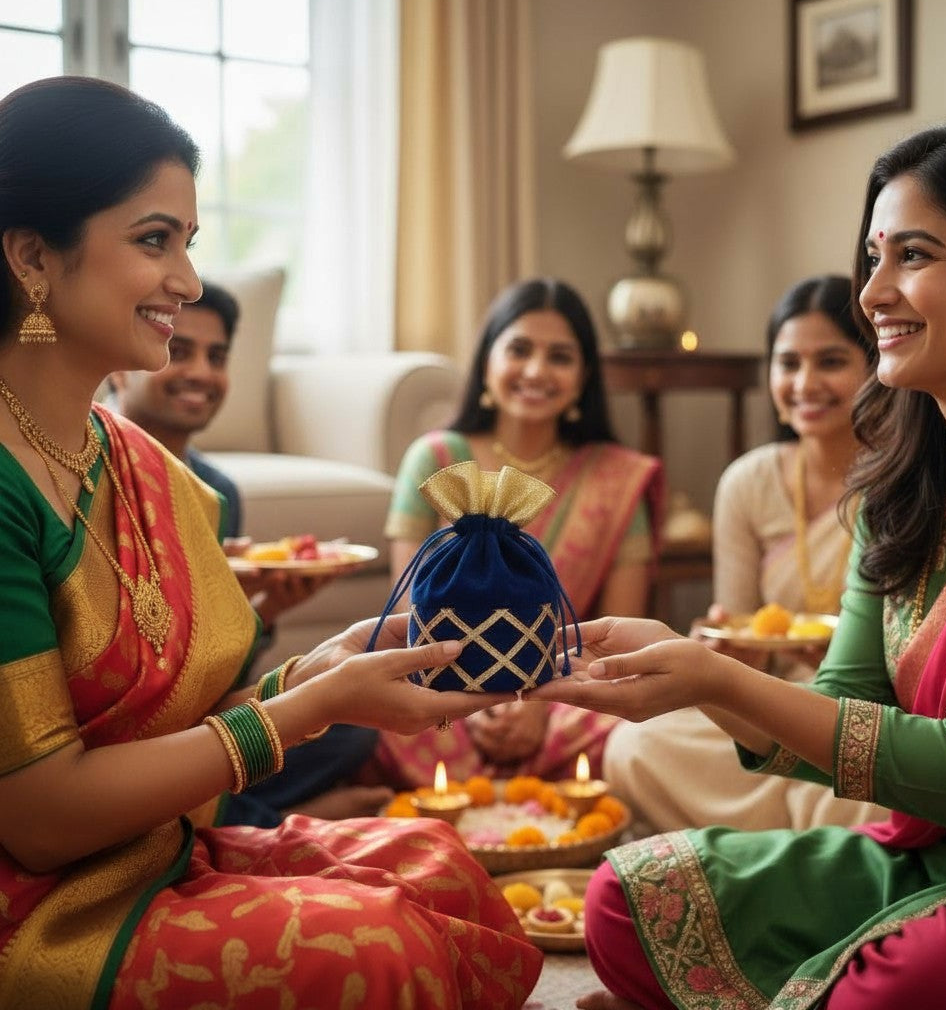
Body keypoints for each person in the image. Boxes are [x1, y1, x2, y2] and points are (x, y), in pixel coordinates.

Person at [0, 76, 541, 1009]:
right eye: (153, 240)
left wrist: (326, 671)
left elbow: (184, 721)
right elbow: (42, 819)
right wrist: (305, 711)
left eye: (188, 243)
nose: (189, 282)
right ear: (33, 257)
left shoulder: (141, 465)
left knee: (439, 866)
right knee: (374, 950)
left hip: (151, 848)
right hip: (43, 905)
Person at [529, 116, 946, 1010]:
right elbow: (847, 711)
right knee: (629, 899)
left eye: (912, 254)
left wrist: (715, 679)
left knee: (900, 983)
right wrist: (703, 680)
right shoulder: (901, 493)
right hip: (927, 855)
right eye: (871, 257)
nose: (873, 292)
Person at [603, 274, 887, 833]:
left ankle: (785, 835)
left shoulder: (905, 477)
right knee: (634, 749)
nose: (805, 383)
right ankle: (790, 828)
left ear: (874, 367)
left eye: (830, 361)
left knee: (868, 791)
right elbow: (740, 627)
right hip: (769, 706)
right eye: (788, 363)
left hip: (867, 713)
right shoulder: (748, 481)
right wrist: (726, 649)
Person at [108, 283, 392, 826]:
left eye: (216, 357)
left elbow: (213, 686)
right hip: (127, 738)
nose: (201, 373)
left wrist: (261, 613)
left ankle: (247, 814)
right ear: (122, 366)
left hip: (198, 720)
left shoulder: (217, 492)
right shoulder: (94, 472)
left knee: (351, 730)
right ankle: (279, 821)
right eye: (179, 348)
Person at [367, 277, 665, 788]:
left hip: (565, 697)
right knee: (381, 710)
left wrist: (540, 702)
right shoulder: (436, 458)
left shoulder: (616, 476)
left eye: (560, 357)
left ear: (583, 377)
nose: (536, 371)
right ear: (487, 361)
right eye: (520, 350)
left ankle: (454, 795)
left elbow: (615, 634)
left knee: (636, 730)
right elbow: (406, 616)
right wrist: (473, 696)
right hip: (443, 685)